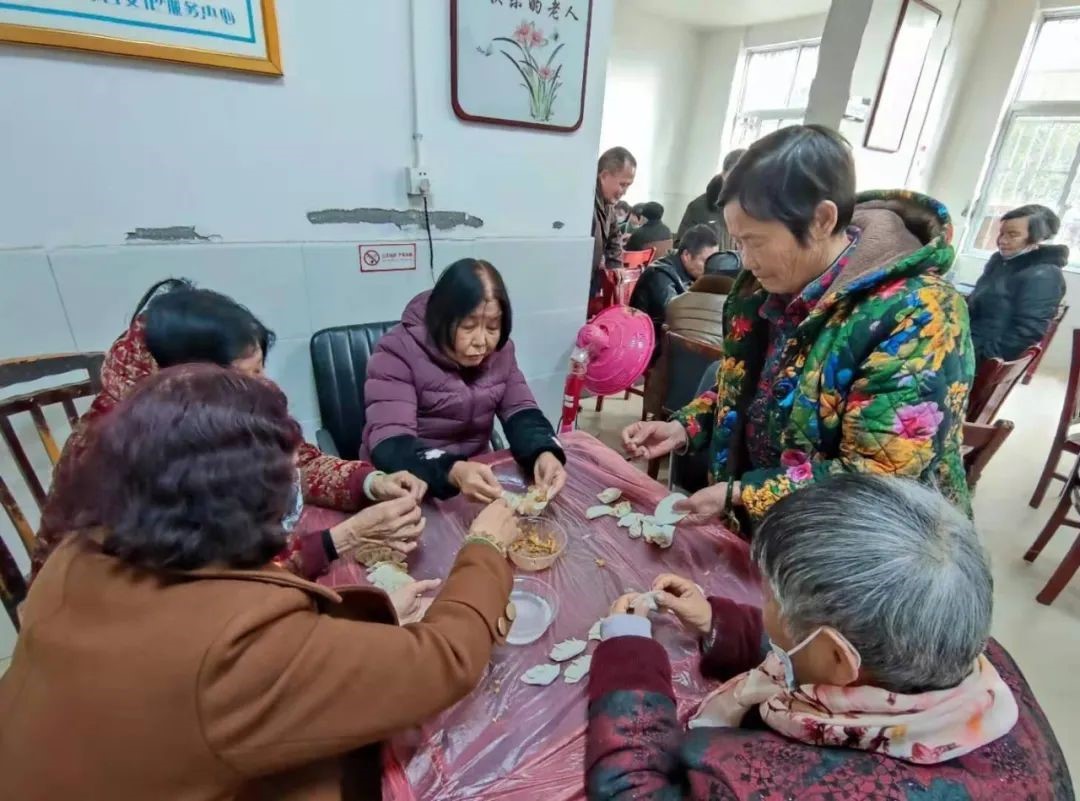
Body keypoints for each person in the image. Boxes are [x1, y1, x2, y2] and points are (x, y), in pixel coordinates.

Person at [0, 364, 521, 800]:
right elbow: (444, 661)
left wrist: (361, 617)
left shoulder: (76, 554)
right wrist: (486, 546)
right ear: (231, 501)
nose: (296, 483)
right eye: (285, 473)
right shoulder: (235, 650)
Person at [586, 475, 1071, 800]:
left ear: (839, 656)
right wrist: (718, 622)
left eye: (771, 597)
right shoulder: (977, 660)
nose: (765, 605)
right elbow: (832, 651)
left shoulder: (763, 783)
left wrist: (629, 655)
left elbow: (633, 790)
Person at [621, 125, 974, 531]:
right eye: (738, 241)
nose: (746, 260)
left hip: (862, 552)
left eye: (756, 241)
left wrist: (742, 494)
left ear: (822, 219)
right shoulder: (768, 286)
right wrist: (684, 426)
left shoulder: (920, 313)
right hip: (771, 526)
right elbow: (756, 389)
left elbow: (877, 480)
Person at [32, 279, 426, 581]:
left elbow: (298, 462)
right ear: (191, 382)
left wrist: (371, 482)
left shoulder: (215, 415)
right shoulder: (128, 459)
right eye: (247, 377)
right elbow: (219, 591)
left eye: (260, 371)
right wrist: (339, 541)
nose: (263, 388)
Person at [364, 258, 567, 503]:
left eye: (492, 328)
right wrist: (453, 470)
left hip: (476, 474)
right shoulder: (396, 351)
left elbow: (521, 411)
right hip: (411, 482)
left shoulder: (501, 352)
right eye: (468, 327)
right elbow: (392, 443)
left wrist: (543, 451)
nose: (481, 341)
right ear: (441, 319)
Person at [968, 204, 1068, 362]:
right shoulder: (1000, 262)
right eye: (1001, 233)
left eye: (1013, 235)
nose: (1002, 240)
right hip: (968, 341)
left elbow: (1026, 333)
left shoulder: (1043, 275)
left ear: (1038, 237)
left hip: (981, 354)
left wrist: (978, 357)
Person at [630, 224, 720, 349]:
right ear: (686, 255)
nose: (710, 268)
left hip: (671, 340)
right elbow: (676, 321)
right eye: (705, 261)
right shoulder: (660, 276)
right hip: (649, 345)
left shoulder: (688, 273)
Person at [592, 146, 637, 309]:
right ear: (604, 176)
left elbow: (615, 236)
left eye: (628, 186)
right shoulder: (584, 199)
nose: (624, 192)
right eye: (622, 184)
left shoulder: (608, 205)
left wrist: (615, 264)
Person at [676, 148, 746, 249]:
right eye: (735, 177)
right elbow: (682, 248)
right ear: (723, 174)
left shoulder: (757, 209)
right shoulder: (698, 208)